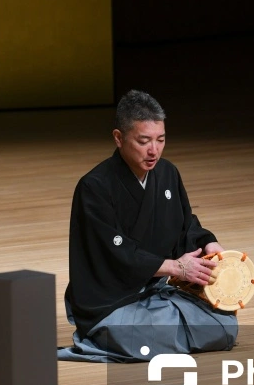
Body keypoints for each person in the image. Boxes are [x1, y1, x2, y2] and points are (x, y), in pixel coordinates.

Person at [59, 90, 238, 362]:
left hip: (154, 292)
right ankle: (99, 335)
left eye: (160, 140)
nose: (153, 150)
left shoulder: (166, 173)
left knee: (224, 324)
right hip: (111, 301)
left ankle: (158, 328)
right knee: (150, 335)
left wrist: (209, 245)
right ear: (119, 138)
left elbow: (184, 226)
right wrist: (176, 267)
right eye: (143, 141)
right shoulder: (94, 187)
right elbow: (115, 253)